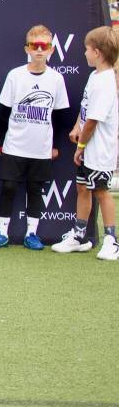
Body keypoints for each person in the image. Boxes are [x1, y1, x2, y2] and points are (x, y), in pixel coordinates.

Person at [0, 25, 69, 250]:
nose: (39, 50)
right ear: (27, 48)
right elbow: (2, 111)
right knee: (9, 187)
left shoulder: (56, 79)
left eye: (44, 46)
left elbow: (60, 116)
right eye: (35, 46)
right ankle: (2, 233)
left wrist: (55, 145)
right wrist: (0, 141)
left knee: (35, 189)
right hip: (14, 146)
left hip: (41, 148)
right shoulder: (16, 75)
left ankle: (32, 234)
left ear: (51, 50)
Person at [53, 26, 119, 259]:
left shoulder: (106, 82)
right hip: (88, 147)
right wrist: (76, 128)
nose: (84, 54)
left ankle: (112, 241)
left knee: (101, 191)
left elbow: (93, 120)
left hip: (99, 150)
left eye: (87, 50)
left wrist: (81, 145)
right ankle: (79, 236)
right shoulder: (94, 77)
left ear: (98, 52)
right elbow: (85, 112)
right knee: (82, 188)